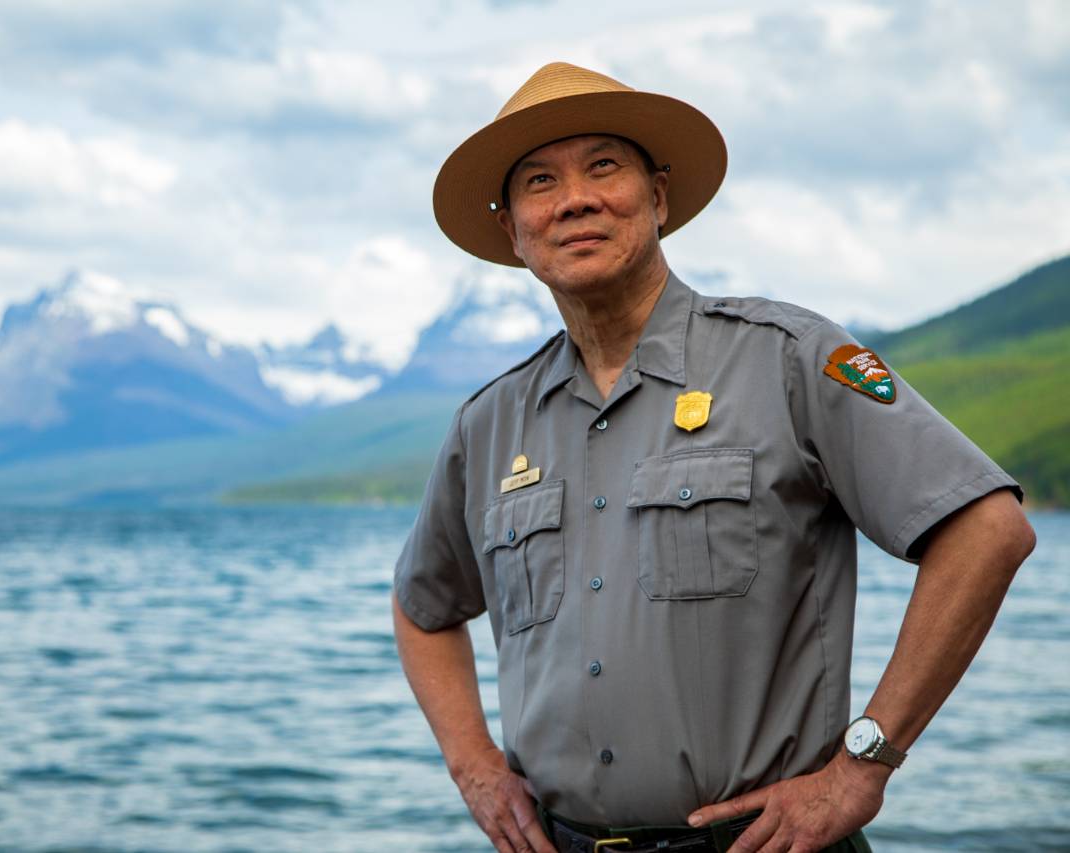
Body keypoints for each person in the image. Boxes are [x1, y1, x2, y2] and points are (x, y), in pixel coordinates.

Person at [391, 62, 1036, 853]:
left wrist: (864, 761)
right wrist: (473, 765)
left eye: (604, 166)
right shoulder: (487, 423)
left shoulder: (791, 359)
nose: (575, 199)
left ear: (658, 197)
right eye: (538, 181)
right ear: (513, 232)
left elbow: (988, 529)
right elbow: (422, 607)